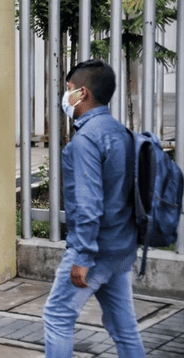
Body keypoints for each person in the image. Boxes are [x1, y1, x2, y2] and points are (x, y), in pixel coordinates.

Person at [42, 59, 146, 357]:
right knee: (123, 328)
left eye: (69, 88)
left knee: (57, 318)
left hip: (94, 250)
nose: (66, 94)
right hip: (120, 247)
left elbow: (88, 205)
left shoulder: (86, 139)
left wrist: (83, 256)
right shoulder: (121, 132)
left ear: (83, 93)